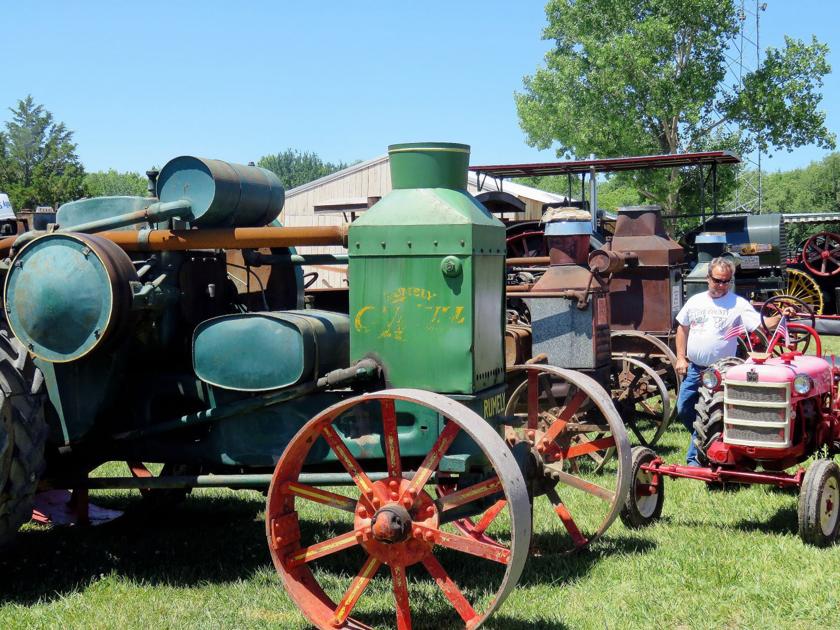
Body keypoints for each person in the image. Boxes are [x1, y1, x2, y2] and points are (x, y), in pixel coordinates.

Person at [674, 256, 762, 466]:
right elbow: (682, 328)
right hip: (695, 369)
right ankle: (704, 440)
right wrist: (680, 357)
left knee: (716, 414)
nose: (722, 285)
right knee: (684, 408)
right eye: (717, 280)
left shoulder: (738, 304)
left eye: (726, 281)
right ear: (708, 278)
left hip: (722, 372)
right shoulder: (695, 301)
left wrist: (781, 316)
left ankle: (695, 458)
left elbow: (761, 325)